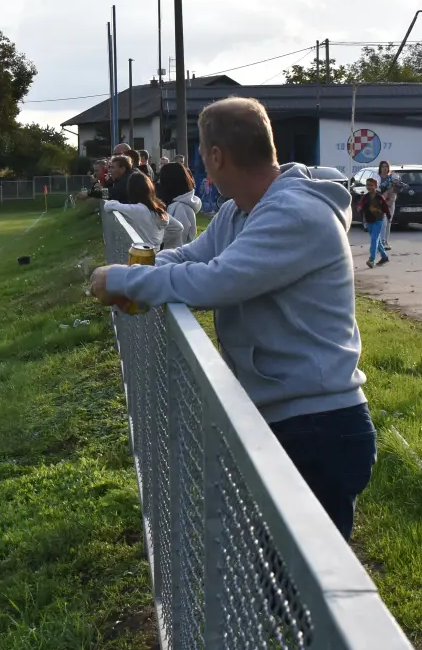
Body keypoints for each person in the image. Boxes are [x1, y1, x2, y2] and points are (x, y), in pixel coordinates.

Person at [89, 96, 374, 540]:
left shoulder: (295, 213)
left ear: (217, 157)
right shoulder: (239, 211)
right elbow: (190, 256)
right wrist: (137, 273)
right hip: (286, 417)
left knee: (301, 591)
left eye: (203, 155)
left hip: (319, 428)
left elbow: (215, 282)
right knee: (273, 580)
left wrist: (126, 282)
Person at [104, 170, 184, 249]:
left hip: (141, 256)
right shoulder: (157, 209)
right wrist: (158, 241)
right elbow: (178, 227)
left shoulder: (136, 210)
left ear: (131, 190)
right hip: (156, 253)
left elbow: (108, 205)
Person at [155, 161, 201, 244]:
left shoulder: (181, 208)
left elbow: (179, 241)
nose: (159, 183)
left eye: (161, 179)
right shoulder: (176, 204)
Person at [360, 177, 391, 268]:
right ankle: (384, 257)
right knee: (376, 240)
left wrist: (389, 216)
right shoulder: (365, 197)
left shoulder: (379, 197)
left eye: (371, 185)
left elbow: (385, 207)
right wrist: (359, 207)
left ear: (376, 186)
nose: (369, 187)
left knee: (374, 239)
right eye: (368, 185)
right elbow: (361, 204)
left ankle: (371, 259)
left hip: (378, 220)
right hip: (369, 221)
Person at [376, 160, 402, 250]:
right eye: (383, 166)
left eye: (386, 166)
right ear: (380, 168)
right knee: (383, 223)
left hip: (391, 202)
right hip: (381, 203)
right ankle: (381, 242)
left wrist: (396, 187)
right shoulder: (377, 177)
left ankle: (386, 241)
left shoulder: (391, 178)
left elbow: (397, 189)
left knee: (388, 222)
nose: (385, 168)